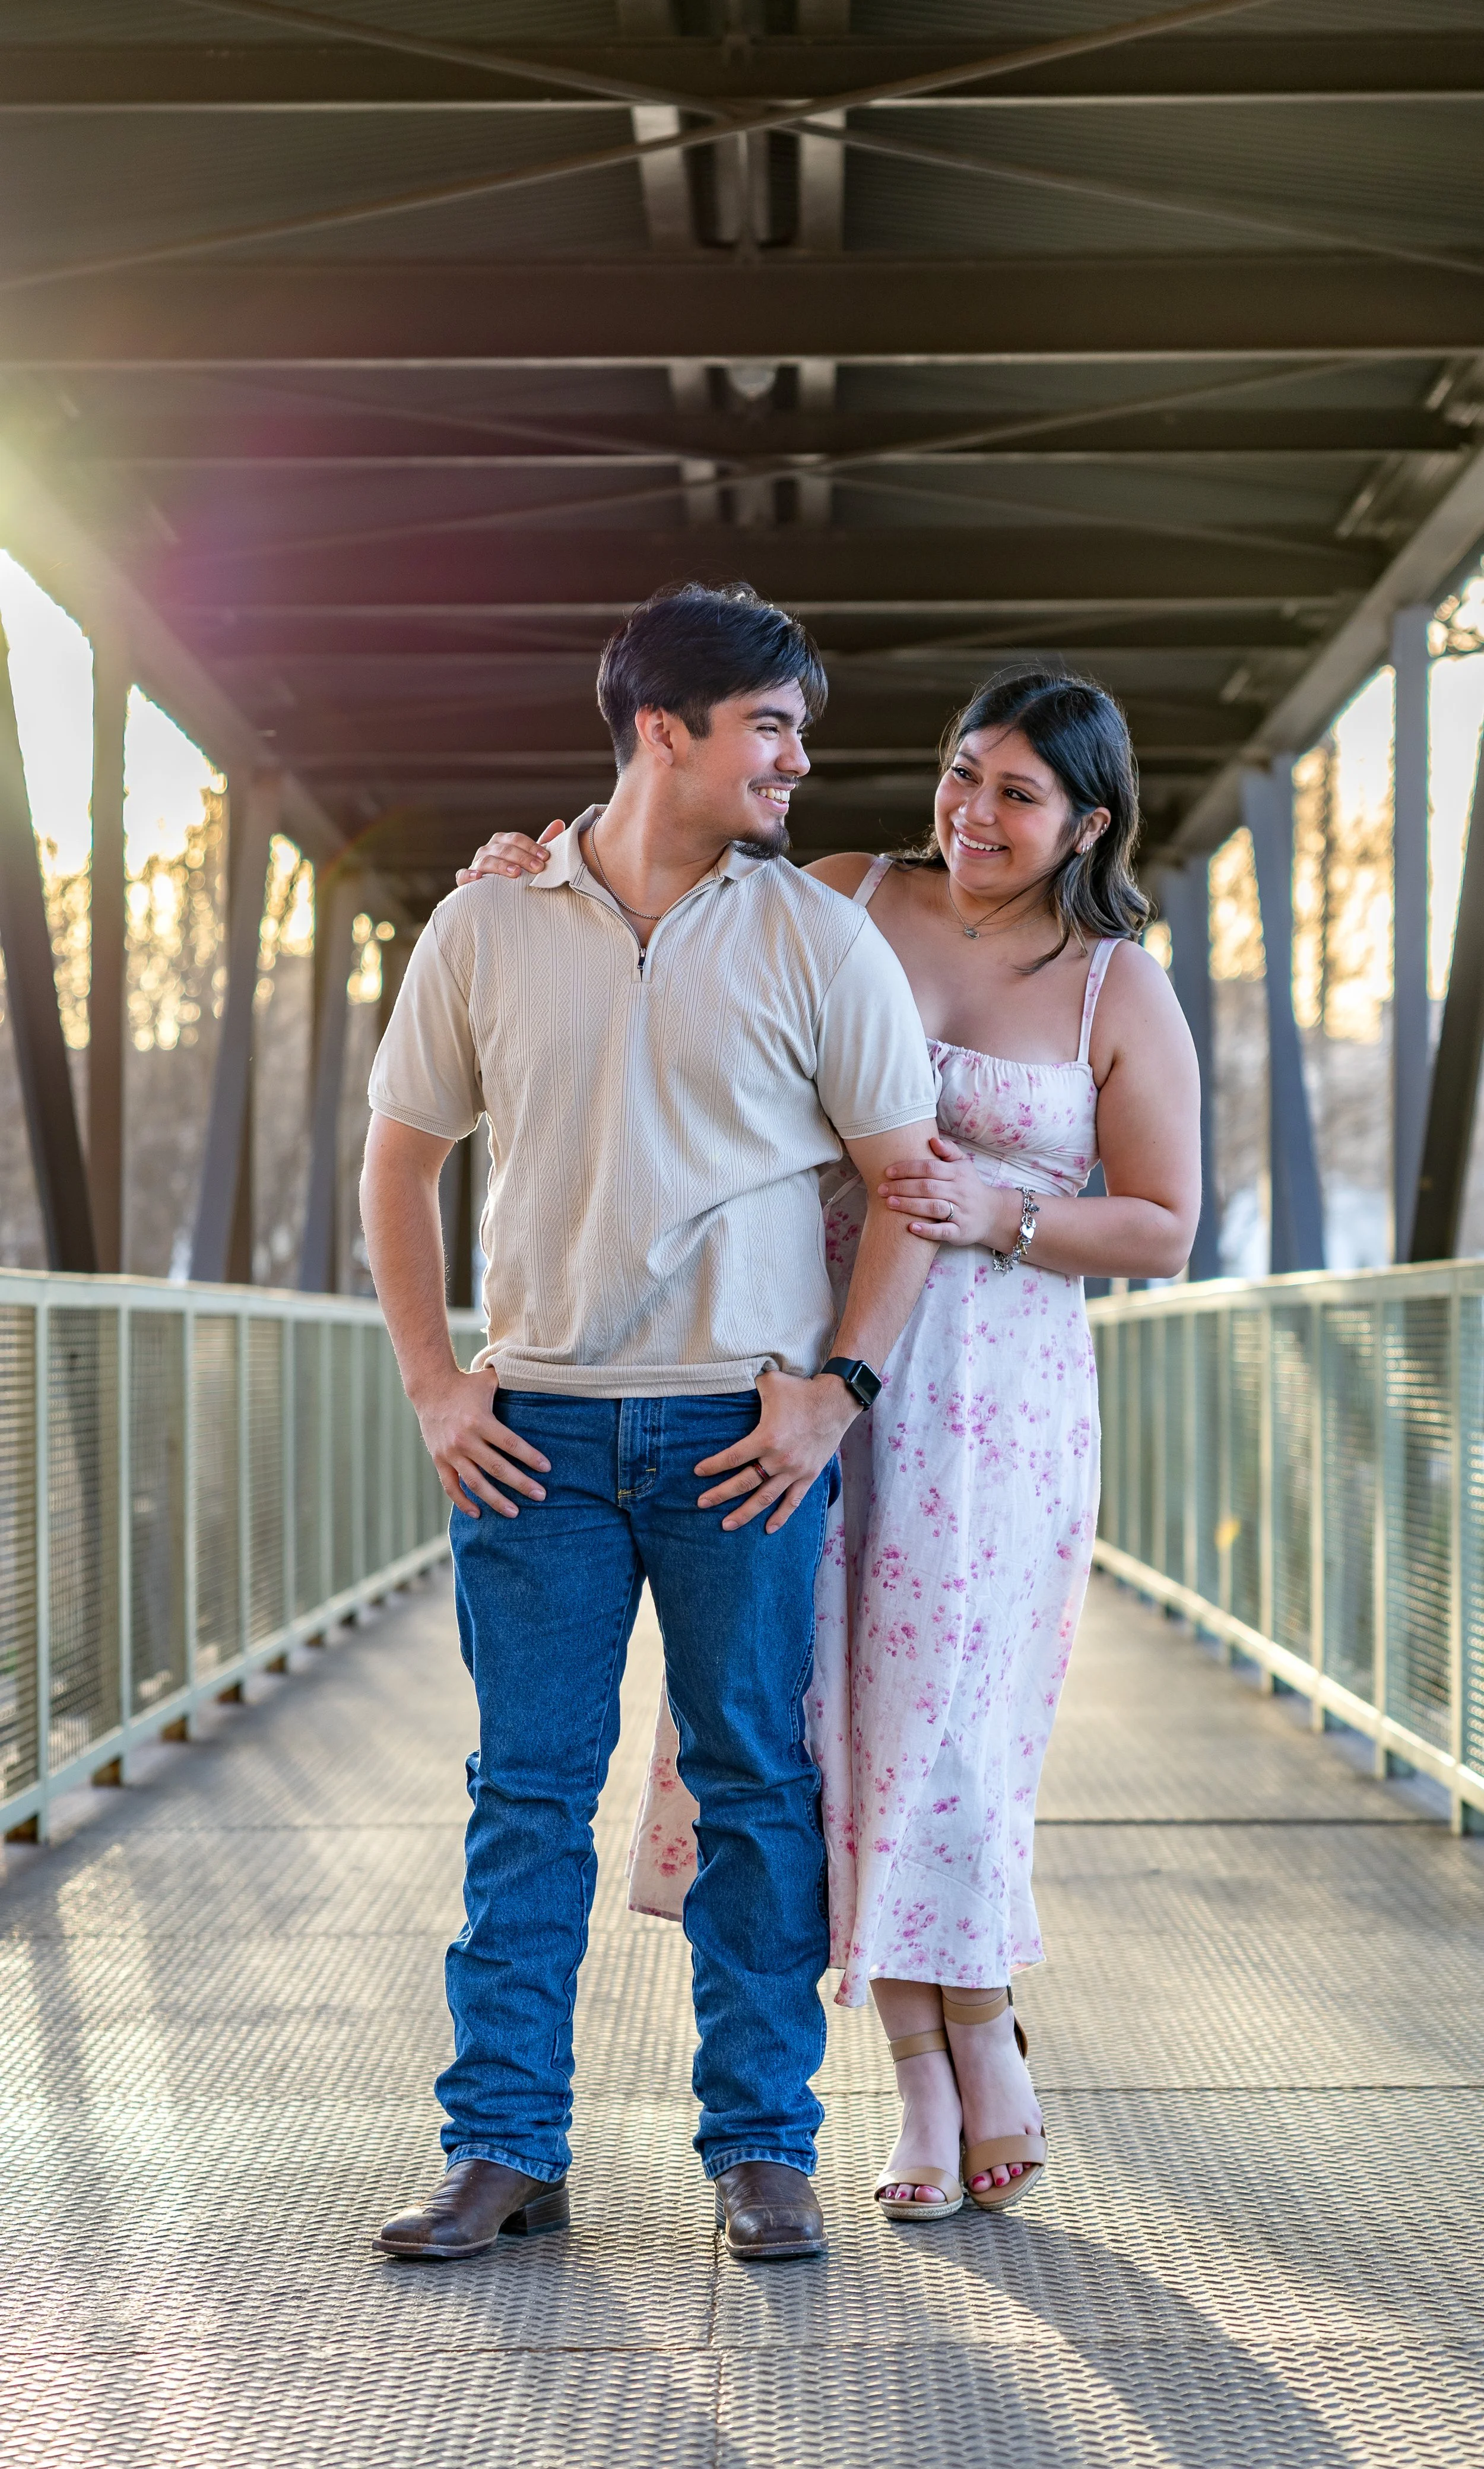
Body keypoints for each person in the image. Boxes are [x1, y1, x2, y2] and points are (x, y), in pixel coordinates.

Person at [460, 666, 1201, 2224]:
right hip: (793, 1371)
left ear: (1087, 821)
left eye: (1015, 793)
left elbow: (1164, 1227)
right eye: (959, 773)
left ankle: (959, 2044)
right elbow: (657, 902)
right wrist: (527, 879)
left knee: (946, 1728)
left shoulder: (1111, 985)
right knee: (807, 1724)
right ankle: (910, 2059)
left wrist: (1002, 1210)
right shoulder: (842, 893)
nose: (971, 812)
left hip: (987, 1410)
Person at [360, 583, 940, 2267]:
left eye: (797, 729)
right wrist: (434, 1380)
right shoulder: (481, 927)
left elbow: (906, 1177)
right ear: (662, 730)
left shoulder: (813, 938)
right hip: (530, 1435)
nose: (794, 759)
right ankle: (501, 2147)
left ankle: (763, 2145)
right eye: (767, 725)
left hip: (735, 1446)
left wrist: (838, 1390)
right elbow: (402, 1158)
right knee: (524, 1796)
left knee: (757, 1792)